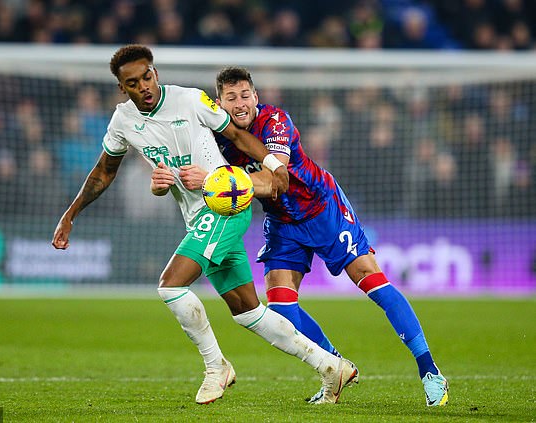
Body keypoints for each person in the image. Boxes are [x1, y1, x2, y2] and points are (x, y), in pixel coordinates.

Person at [52, 45, 358, 405]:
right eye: (133, 83)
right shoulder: (123, 122)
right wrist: (70, 214)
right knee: (249, 312)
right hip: (197, 217)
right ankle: (329, 366)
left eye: (147, 76)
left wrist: (274, 164)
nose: (144, 86)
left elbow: (238, 137)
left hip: (225, 205)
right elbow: (105, 171)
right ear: (124, 89)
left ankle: (216, 367)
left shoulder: (191, 100)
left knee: (170, 286)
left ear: (156, 73)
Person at [179, 67, 449, 406]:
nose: (240, 104)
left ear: (255, 97)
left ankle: (430, 371)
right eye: (231, 98)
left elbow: (277, 179)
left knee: (371, 280)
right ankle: (336, 365)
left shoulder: (275, 121)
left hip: (322, 208)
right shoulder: (217, 140)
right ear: (219, 103)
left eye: (245, 95)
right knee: (280, 307)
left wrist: (215, 181)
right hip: (281, 222)